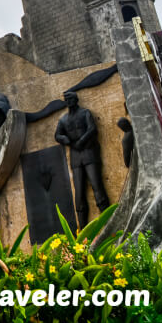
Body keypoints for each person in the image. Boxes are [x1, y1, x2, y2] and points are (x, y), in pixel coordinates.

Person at [55, 91, 109, 228]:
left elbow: (92, 129)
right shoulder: (63, 120)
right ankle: (83, 228)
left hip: (89, 152)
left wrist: (81, 140)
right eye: (66, 100)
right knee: (78, 191)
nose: (69, 102)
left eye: (71, 99)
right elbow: (57, 135)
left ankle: (108, 221)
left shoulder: (85, 113)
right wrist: (65, 139)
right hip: (76, 157)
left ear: (76, 100)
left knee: (97, 186)